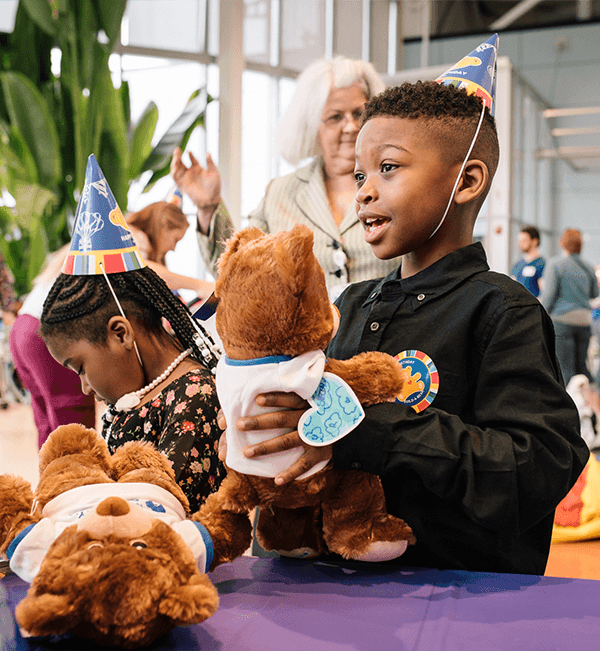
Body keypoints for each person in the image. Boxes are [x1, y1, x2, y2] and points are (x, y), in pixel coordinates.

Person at [220, 38, 588, 576]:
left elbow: (535, 468)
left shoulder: (502, 311)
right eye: (362, 175)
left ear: (466, 181)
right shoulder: (348, 306)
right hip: (340, 591)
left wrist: (376, 434)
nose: (364, 192)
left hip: (458, 598)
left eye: (388, 168)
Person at [40, 155, 224, 513]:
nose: (84, 387)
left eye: (79, 367)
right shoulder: (135, 396)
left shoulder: (195, 395)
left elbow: (155, 508)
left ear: (121, 334)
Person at [170, 55, 399, 300]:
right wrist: (207, 206)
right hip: (306, 338)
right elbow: (239, 269)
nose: (351, 126)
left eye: (358, 114)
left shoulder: (397, 183)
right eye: (335, 117)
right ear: (311, 125)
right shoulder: (281, 191)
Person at [9, 244, 96, 448]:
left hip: (23, 329)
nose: (171, 248)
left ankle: (52, 477)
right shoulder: (129, 236)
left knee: (47, 421)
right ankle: (78, 478)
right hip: (45, 332)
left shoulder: (76, 250)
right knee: (73, 413)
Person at [540, 228, 599, 385]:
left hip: (562, 322)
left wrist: (541, 313)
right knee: (582, 368)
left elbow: (549, 295)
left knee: (565, 369)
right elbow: (594, 293)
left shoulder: (555, 264)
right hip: (585, 322)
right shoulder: (588, 266)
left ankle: (570, 407)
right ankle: (589, 405)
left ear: (562, 243)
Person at [126, 200, 214, 300]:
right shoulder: (133, 236)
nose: (173, 248)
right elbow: (141, 269)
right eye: (175, 240)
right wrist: (199, 285)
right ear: (163, 225)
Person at [510, 225, 545, 297]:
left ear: (534, 241)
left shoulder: (542, 264)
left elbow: (544, 292)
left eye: (524, 240)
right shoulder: (517, 265)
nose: (520, 244)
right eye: (519, 241)